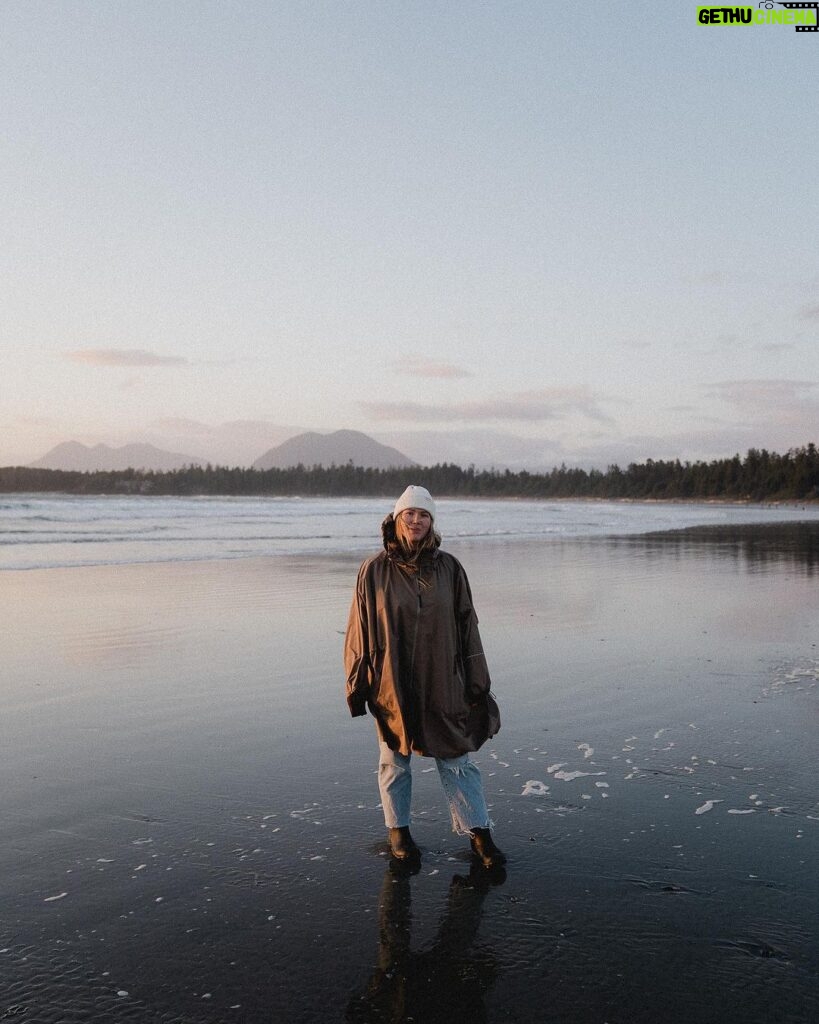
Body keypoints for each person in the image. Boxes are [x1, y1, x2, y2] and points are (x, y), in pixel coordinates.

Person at [344, 485, 505, 867]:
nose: (416, 520)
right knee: (394, 761)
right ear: (397, 518)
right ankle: (398, 831)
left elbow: (469, 626)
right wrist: (358, 681)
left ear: (432, 522)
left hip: (442, 681)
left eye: (424, 515)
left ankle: (479, 834)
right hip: (391, 683)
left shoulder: (450, 568)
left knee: (456, 760)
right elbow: (359, 629)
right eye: (409, 514)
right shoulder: (373, 570)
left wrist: (477, 681)